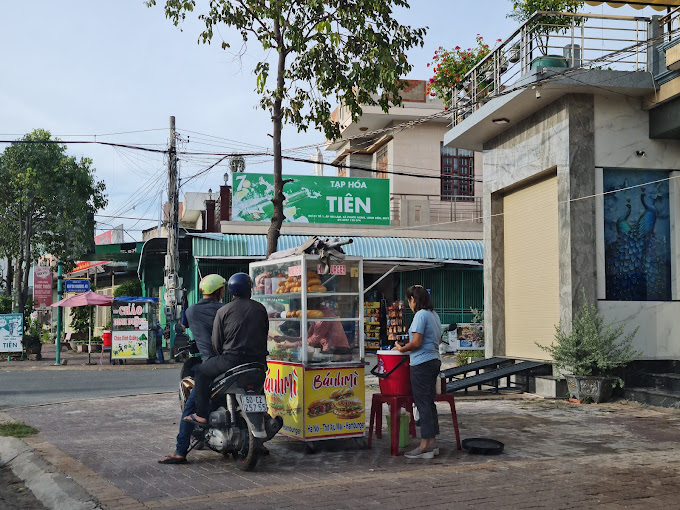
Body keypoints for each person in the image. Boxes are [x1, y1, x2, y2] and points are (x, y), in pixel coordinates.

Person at [183, 272, 269, 426]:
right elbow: (265, 333)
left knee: (201, 372)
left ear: (230, 291)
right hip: (259, 361)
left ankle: (202, 415)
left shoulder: (224, 311)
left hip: (232, 360)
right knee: (257, 384)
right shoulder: (260, 308)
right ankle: (262, 412)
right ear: (250, 290)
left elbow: (216, 343)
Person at [158, 274, 225, 464]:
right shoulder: (225, 309)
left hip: (210, 365)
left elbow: (184, 325)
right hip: (231, 361)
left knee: (190, 408)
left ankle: (180, 451)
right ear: (220, 291)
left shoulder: (192, 311)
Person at [393, 285, 442, 459]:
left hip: (421, 363)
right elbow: (439, 338)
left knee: (422, 403)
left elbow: (416, 342)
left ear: (413, 299)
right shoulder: (434, 315)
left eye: (409, 301)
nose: (409, 304)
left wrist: (401, 348)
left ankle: (424, 446)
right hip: (434, 360)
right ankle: (432, 443)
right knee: (429, 402)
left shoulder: (420, 315)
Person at [274, 303, 351, 355]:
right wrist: (285, 338)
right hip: (330, 350)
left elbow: (313, 341)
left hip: (338, 351)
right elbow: (306, 338)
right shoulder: (316, 316)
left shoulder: (322, 318)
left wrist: (291, 345)